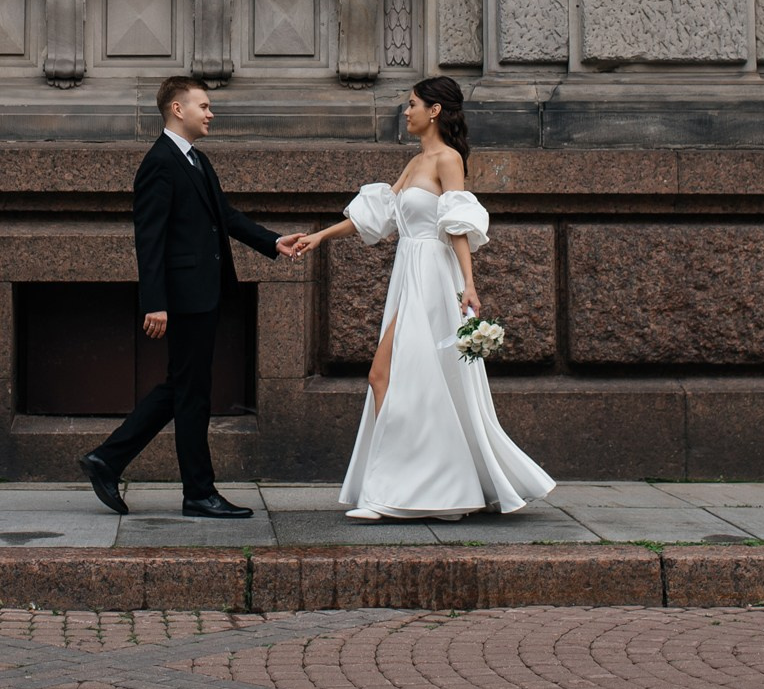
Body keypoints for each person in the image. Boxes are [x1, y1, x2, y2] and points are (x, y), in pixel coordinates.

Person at [277, 77, 553, 521]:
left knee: (394, 377)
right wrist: (320, 236)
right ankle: (419, 489)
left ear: (434, 111)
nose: (405, 112)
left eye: (411, 105)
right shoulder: (415, 161)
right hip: (408, 273)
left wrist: (469, 284)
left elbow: (456, 223)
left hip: (431, 276)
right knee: (385, 377)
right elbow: (381, 215)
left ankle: (410, 492)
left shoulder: (448, 160)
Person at [80, 75, 301, 519]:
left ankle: (108, 459)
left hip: (202, 294)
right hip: (182, 299)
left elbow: (227, 217)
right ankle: (196, 491)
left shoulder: (196, 161)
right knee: (191, 392)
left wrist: (273, 242)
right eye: (203, 105)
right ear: (177, 109)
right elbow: (150, 238)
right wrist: (154, 301)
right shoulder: (160, 162)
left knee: (183, 387)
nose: (210, 112)